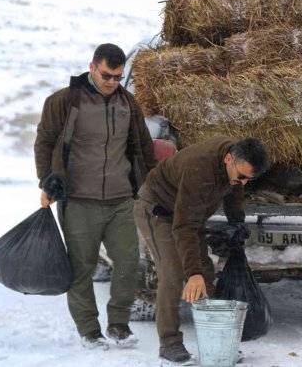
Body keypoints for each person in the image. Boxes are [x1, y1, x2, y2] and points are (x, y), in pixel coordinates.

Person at [34, 43, 157, 349]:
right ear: (92, 67)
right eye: (106, 75)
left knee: (129, 263)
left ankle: (118, 324)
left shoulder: (128, 103)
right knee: (81, 268)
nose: (112, 82)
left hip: (121, 199)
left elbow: (143, 146)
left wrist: (151, 185)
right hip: (78, 200)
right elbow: (45, 142)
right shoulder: (64, 101)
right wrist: (47, 182)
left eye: (117, 76)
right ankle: (89, 329)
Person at [133, 136, 269, 366]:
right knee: (174, 272)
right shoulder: (200, 170)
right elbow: (183, 227)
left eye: (250, 179)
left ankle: (217, 339)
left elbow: (234, 193)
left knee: (205, 272)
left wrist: (237, 223)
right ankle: (169, 343)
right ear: (229, 159)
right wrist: (192, 273)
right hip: (157, 211)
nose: (244, 182)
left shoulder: (234, 166)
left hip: (187, 213)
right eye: (243, 176)